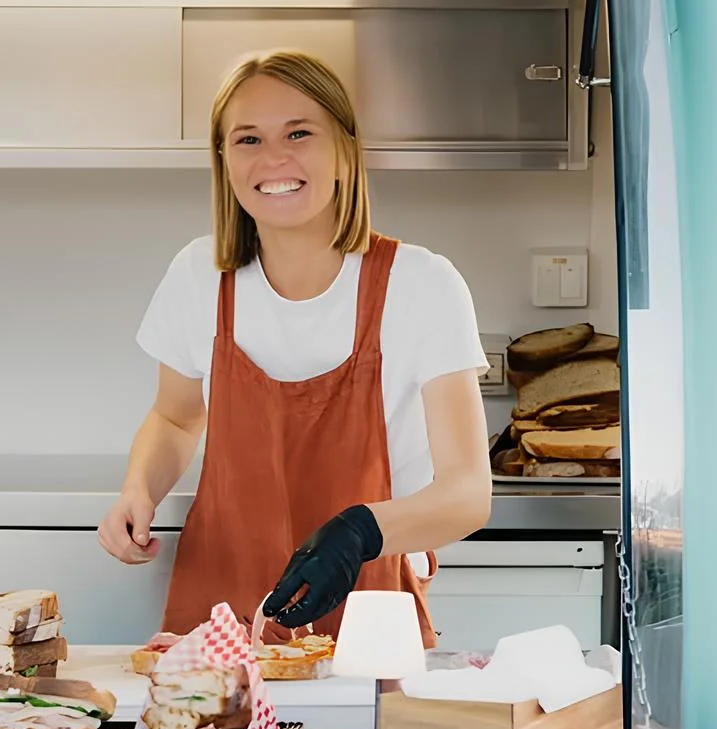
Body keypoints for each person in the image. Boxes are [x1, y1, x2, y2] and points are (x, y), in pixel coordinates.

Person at [98, 48, 492, 645]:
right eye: (248, 139)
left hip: (367, 606)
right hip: (221, 610)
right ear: (224, 161)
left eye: (299, 133)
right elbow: (176, 418)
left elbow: (467, 493)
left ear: (344, 151)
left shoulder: (422, 285)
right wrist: (138, 488)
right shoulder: (198, 276)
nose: (274, 158)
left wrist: (361, 531)